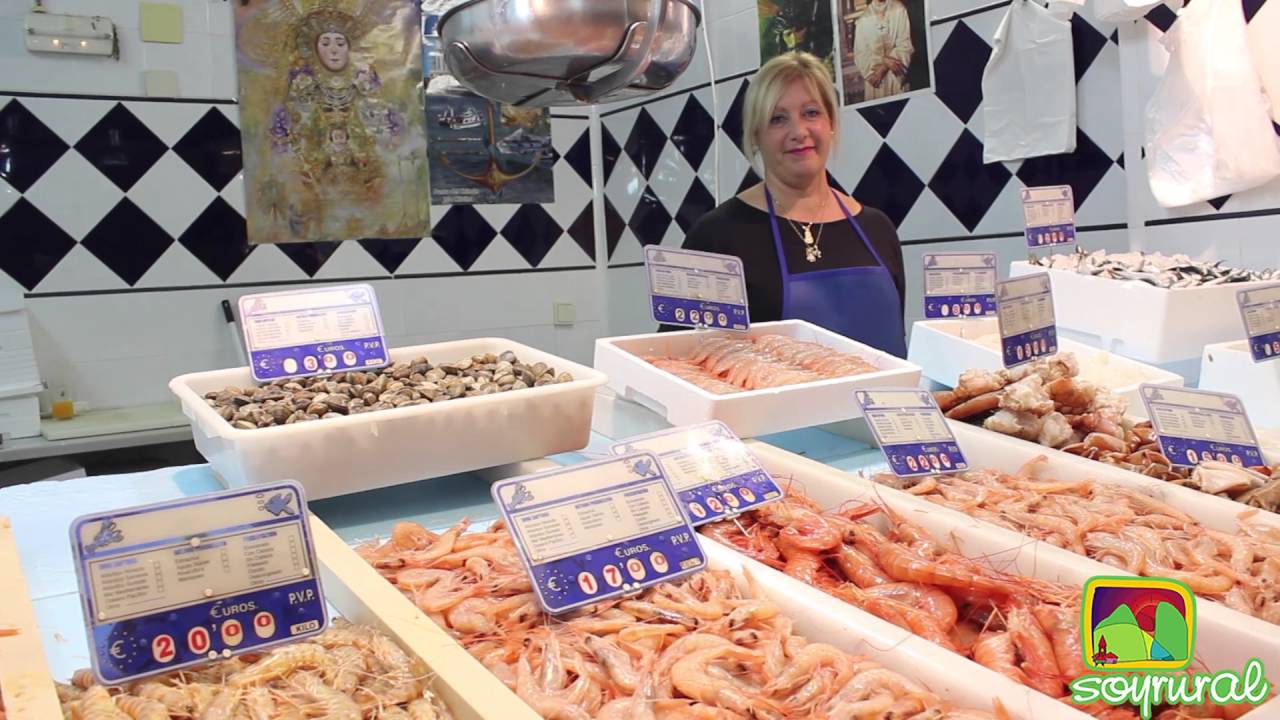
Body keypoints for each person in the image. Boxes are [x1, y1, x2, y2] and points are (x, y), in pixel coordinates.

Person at [675, 51, 908, 356]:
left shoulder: (878, 228)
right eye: (778, 119)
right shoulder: (717, 235)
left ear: (831, 122)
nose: (799, 132)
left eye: (811, 113)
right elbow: (682, 359)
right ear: (756, 136)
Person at [853, 0, 914, 101]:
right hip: (877, 77)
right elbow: (860, 54)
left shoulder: (899, 9)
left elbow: (905, 45)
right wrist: (883, 61)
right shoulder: (863, 19)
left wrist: (885, 66)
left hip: (896, 75)